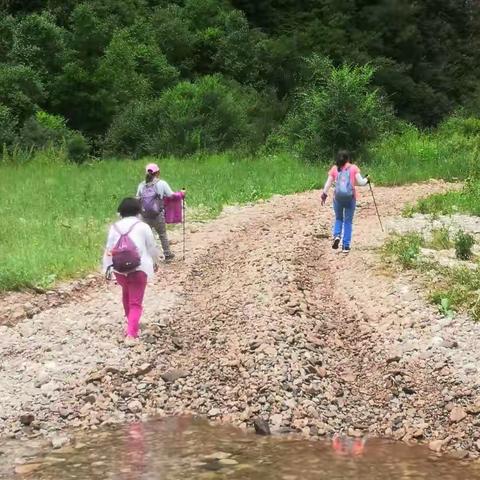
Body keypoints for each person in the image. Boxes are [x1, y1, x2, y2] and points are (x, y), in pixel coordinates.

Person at [103, 197, 159, 341]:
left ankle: (130, 322)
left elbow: (109, 249)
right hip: (139, 268)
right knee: (136, 302)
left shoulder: (114, 227)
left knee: (126, 293)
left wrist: (107, 267)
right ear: (138, 211)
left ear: (120, 212)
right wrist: (155, 262)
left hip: (119, 269)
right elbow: (152, 247)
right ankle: (131, 333)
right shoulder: (142, 226)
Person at [321, 150, 369, 253]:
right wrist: (367, 179)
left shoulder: (334, 169)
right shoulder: (353, 168)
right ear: (348, 158)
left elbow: (328, 183)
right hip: (350, 198)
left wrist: (324, 194)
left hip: (337, 198)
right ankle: (345, 246)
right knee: (348, 221)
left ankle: (337, 236)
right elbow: (361, 182)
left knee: (338, 218)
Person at [136, 163, 182, 262]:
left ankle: (147, 257)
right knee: (162, 234)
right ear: (158, 173)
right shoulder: (162, 183)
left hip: (144, 216)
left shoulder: (141, 185)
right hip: (158, 215)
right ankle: (167, 254)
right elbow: (171, 195)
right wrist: (181, 194)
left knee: (146, 236)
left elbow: (137, 198)